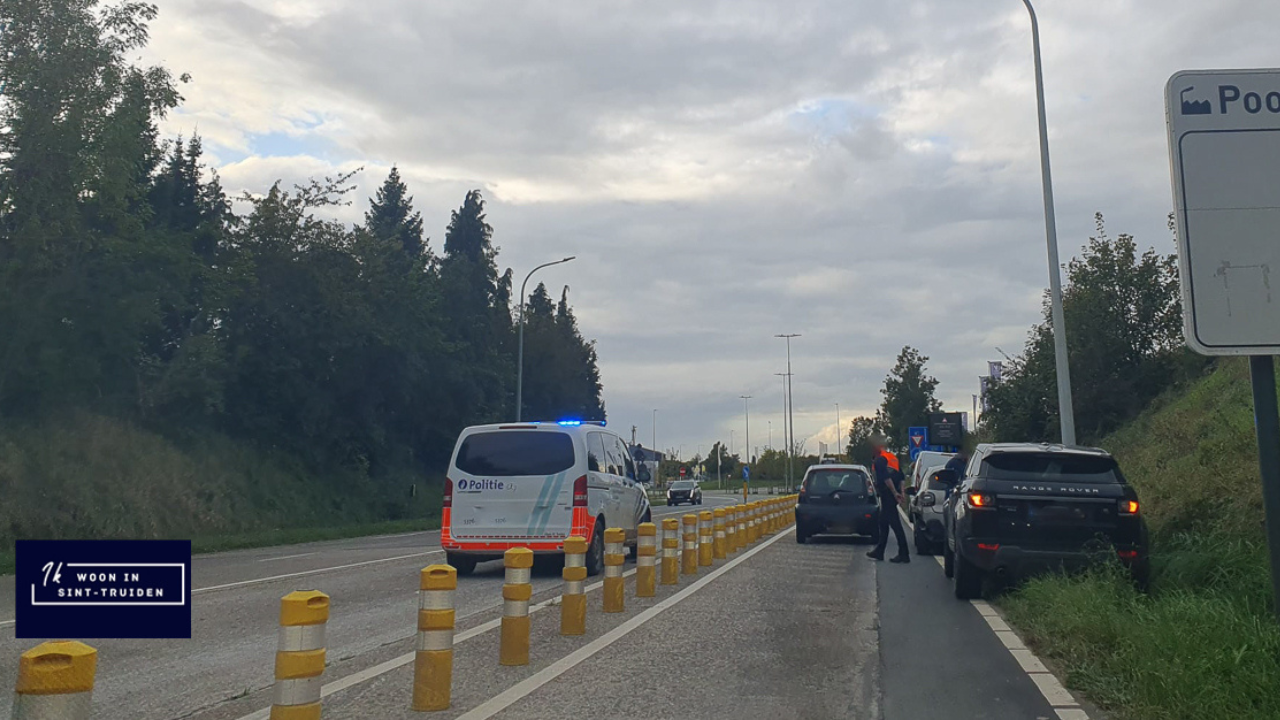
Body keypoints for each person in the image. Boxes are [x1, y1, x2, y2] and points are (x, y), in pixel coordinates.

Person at [867, 434, 910, 563]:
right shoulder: (892, 458)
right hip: (892, 493)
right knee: (883, 522)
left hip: (887, 494)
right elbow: (901, 477)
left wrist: (894, 492)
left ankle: (904, 554)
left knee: (895, 524)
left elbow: (886, 478)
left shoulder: (879, 461)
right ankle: (879, 551)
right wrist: (901, 492)